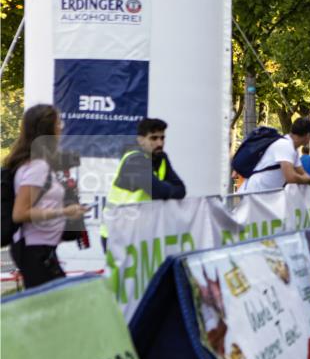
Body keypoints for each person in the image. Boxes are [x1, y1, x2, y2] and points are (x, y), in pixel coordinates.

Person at [3, 105, 88, 288]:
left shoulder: (39, 164)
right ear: (48, 129)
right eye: (58, 123)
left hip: (40, 249)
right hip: (34, 250)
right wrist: (64, 212)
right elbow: (20, 213)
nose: (61, 128)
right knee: (54, 301)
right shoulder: (37, 166)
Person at [100, 117, 187, 249]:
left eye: (162, 138)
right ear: (140, 140)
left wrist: (166, 190)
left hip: (141, 232)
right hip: (118, 233)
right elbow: (159, 192)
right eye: (154, 138)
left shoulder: (161, 158)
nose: (160, 143)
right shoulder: (134, 160)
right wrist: (168, 189)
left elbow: (181, 190)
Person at [238, 117, 310, 193]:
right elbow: (290, 177)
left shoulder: (293, 149)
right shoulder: (285, 145)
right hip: (254, 193)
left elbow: (303, 174)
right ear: (308, 135)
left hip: (265, 194)